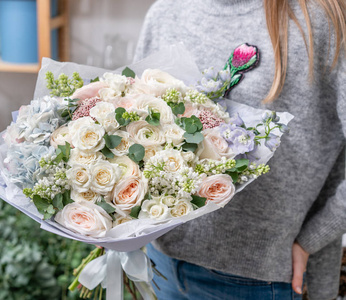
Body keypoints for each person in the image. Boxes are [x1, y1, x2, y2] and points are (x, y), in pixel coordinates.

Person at [134, 0, 346, 299]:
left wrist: (313, 238)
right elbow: (136, 128)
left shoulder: (318, 18)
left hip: (255, 281)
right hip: (159, 264)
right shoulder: (166, 13)